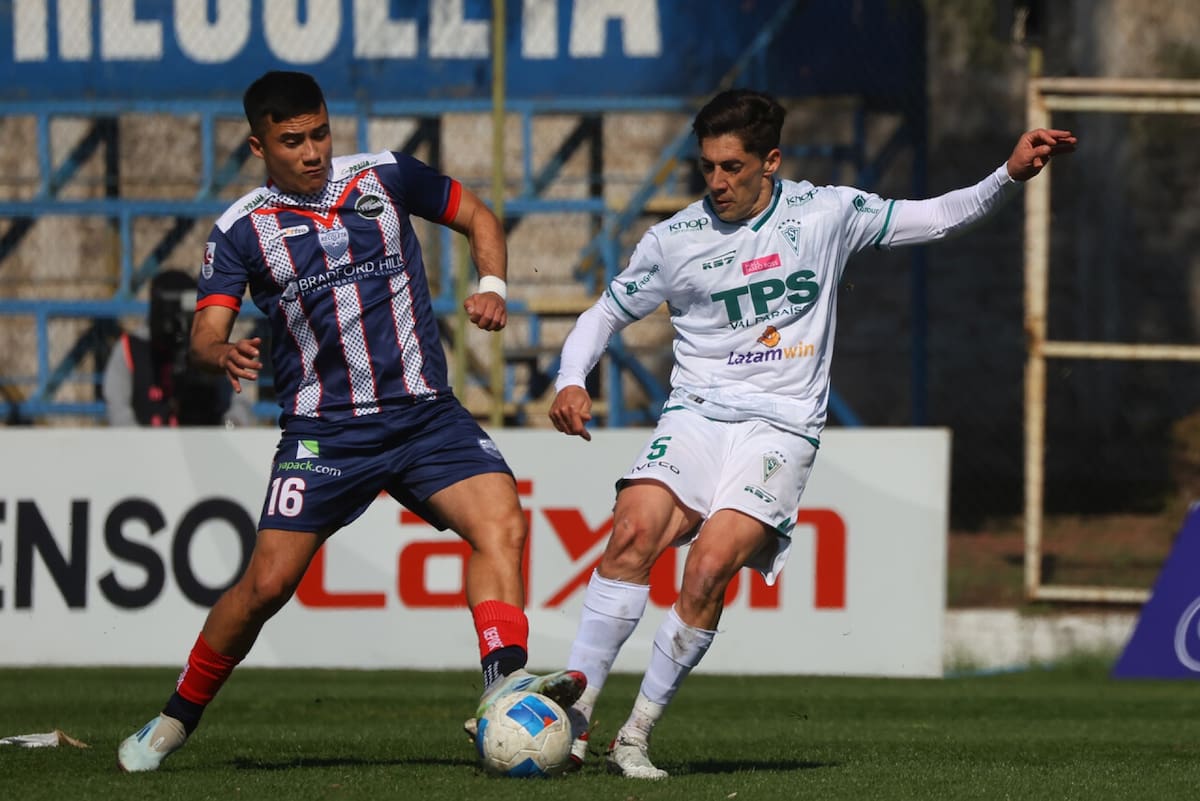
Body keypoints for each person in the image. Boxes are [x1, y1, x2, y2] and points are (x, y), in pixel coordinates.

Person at [547, 88, 1077, 779]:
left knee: (708, 566)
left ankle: (635, 735)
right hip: (696, 417)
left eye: (732, 166)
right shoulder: (674, 239)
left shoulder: (826, 213)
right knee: (631, 532)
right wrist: (569, 377)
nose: (717, 182)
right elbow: (603, 314)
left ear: (771, 162)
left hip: (781, 429)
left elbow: (937, 219)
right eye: (706, 166)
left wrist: (1007, 175)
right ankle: (575, 719)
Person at [117, 70, 585, 772]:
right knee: (265, 586)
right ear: (258, 145)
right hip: (325, 432)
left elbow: (479, 217)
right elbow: (203, 333)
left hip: (426, 416)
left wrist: (491, 285)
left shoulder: (387, 176)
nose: (312, 151)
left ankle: (502, 689)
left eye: (320, 134)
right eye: (292, 140)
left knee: (502, 522)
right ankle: (176, 717)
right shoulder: (242, 230)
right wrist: (222, 351)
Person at [102, 269, 254, 427]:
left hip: (206, 442)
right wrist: (141, 445)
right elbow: (117, 410)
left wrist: (228, 426)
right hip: (145, 444)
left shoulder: (210, 347)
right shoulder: (129, 349)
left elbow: (240, 400)